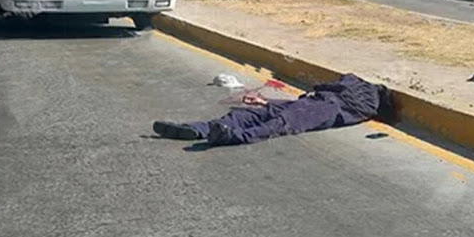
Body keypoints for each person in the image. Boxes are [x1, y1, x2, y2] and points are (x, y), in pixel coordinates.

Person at [153, 74, 394, 147]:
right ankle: (198, 129)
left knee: (276, 123)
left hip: (320, 109)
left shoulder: (364, 94)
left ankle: (225, 135)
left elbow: (325, 86)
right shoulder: (365, 101)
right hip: (310, 105)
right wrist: (266, 102)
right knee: (252, 113)